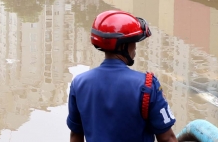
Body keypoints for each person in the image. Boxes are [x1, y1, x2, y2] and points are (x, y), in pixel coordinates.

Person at [67, 10, 178, 142]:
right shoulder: (147, 85)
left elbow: (75, 136)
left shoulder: (79, 84)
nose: (135, 49)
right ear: (123, 46)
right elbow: (167, 138)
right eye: (133, 42)